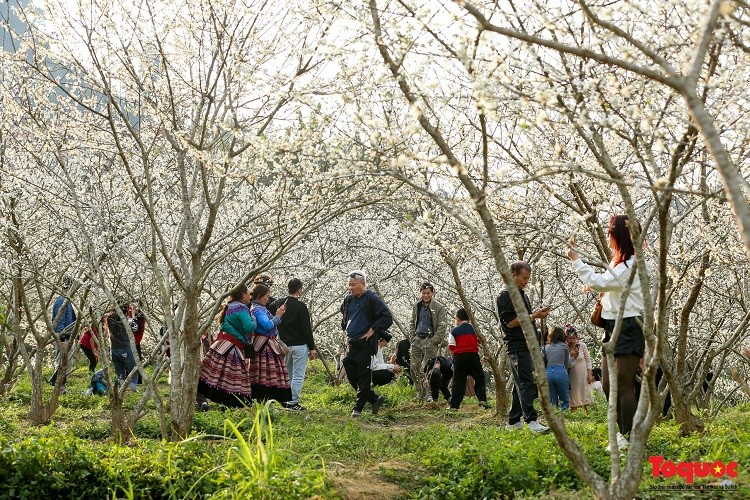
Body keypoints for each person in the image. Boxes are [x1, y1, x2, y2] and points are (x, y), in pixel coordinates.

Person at [568, 214, 645, 451]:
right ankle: (624, 433)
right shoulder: (619, 264)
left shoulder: (632, 265)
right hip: (612, 326)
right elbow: (606, 283)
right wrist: (595, 283)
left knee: (623, 383)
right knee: (608, 385)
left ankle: (629, 435)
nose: (608, 236)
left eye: (610, 232)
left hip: (629, 326)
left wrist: (577, 261)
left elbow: (605, 283)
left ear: (619, 235)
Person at [497, 261, 550, 433]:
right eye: (524, 278)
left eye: (528, 278)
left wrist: (535, 315)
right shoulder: (505, 295)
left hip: (526, 344)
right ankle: (531, 420)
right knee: (527, 381)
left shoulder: (522, 295)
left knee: (520, 382)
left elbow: (525, 317)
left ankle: (513, 421)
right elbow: (511, 322)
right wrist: (533, 316)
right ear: (513, 275)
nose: (526, 281)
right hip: (516, 345)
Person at [340, 270, 393, 417]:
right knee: (349, 368)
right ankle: (374, 398)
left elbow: (387, 317)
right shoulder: (348, 300)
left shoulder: (371, 298)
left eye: (353, 285)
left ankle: (357, 409)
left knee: (364, 376)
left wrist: (374, 329)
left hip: (366, 344)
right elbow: (344, 315)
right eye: (349, 285)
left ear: (362, 284)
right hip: (352, 342)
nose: (350, 288)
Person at [197, 284, 256, 409]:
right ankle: (231, 403)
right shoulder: (241, 308)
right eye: (248, 293)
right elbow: (249, 327)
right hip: (232, 347)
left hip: (221, 344)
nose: (250, 297)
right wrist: (254, 319)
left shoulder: (228, 306)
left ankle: (218, 400)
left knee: (218, 374)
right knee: (234, 376)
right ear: (243, 294)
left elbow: (224, 326)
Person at [269, 278, 317, 411]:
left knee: (286, 373)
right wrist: (312, 348)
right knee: (298, 375)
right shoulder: (301, 306)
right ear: (299, 290)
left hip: (284, 345)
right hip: (299, 345)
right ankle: (293, 401)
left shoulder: (279, 303)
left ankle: (284, 399)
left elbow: (268, 308)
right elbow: (306, 329)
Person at [248, 284, 292, 404]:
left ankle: (266, 400)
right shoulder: (257, 310)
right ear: (259, 296)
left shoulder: (259, 309)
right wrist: (278, 316)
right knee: (266, 373)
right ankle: (266, 398)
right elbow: (267, 325)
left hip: (265, 344)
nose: (268, 299)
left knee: (264, 373)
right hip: (265, 346)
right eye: (267, 296)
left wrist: (278, 315)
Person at [409, 282, 447, 404]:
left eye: (428, 293)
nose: (425, 295)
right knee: (414, 366)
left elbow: (442, 326)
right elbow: (412, 322)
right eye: (423, 293)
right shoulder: (417, 306)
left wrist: (434, 341)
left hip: (430, 339)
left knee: (427, 368)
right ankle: (420, 390)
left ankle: (429, 392)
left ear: (433, 293)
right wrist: (412, 337)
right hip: (417, 339)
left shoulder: (439, 307)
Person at [448, 308, 490, 410]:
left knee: (458, 381)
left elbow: (452, 348)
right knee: (479, 377)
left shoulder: (454, 331)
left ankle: (454, 405)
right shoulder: (475, 330)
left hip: (460, 358)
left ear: (457, 319)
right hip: (473, 356)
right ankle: (482, 399)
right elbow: (482, 342)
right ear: (469, 319)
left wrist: (454, 360)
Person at [49, 277, 77, 392]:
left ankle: (61, 387)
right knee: (62, 363)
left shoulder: (67, 301)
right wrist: (62, 339)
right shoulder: (61, 301)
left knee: (66, 363)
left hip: (67, 337)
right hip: (63, 338)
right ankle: (59, 388)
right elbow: (58, 321)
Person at [107, 300, 139, 392]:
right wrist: (132, 316)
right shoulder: (125, 320)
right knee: (133, 371)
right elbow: (135, 328)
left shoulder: (109, 318)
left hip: (114, 349)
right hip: (125, 348)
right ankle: (132, 389)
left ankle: (121, 391)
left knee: (119, 373)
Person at [565, 323, 594, 413]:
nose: (572, 340)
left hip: (583, 372)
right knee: (573, 394)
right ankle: (574, 417)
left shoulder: (582, 346)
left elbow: (588, 361)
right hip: (571, 373)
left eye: (574, 338)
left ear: (577, 337)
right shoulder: (565, 347)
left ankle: (589, 415)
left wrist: (589, 374)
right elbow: (565, 362)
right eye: (569, 338)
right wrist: (570, 355)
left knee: (585, 393)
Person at [543, 326, 573, 410]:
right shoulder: (564, 346)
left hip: (548, 372)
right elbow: (566, 363)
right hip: (560, 370)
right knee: (564, 397)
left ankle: (554, 414)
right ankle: (565, 414)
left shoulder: (545, 347)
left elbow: (544, 362)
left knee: (552, 398)